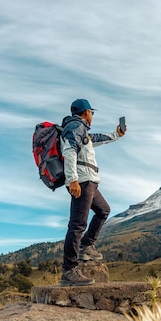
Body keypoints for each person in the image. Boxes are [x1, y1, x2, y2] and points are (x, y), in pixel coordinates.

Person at [60, 98, 126, 286]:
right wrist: (72, 179)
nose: (92, 116)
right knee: (77, 224)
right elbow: (70, 150)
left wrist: (116, 134)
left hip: (89, 181)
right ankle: (69, 270)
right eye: (92, 112)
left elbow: (97, 139)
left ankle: (86, 246)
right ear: (86, 112)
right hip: (81, 180)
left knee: (103, 210)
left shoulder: (82, 131)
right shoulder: (75, 126)